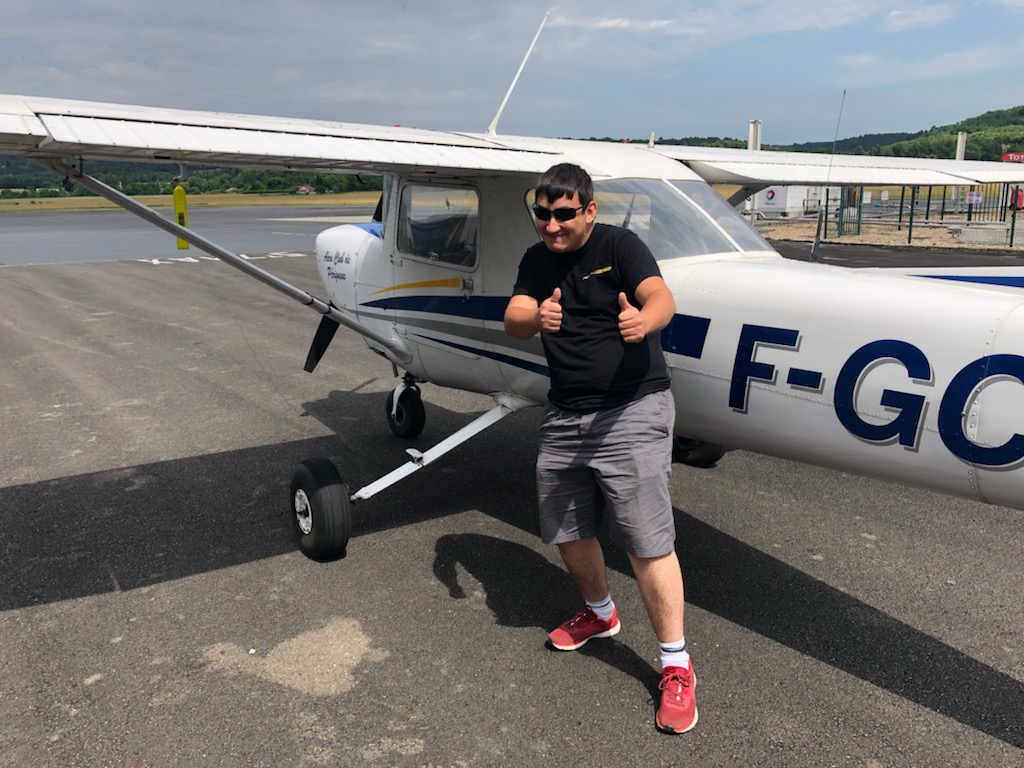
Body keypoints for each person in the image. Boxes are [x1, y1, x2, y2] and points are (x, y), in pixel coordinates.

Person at [503, 163, 697, 734]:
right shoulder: (537, 259)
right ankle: (600, 614)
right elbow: (514, 315)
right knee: (566, 528)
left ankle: (677, 665)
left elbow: (661, 296)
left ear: (589, 210)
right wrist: (535, 314)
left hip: (631, 407)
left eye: (564, 214)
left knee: (646, 540)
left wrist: (645, 321)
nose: (552, 225)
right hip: (566, 412)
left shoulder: (620, 246)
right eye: (543, 214)